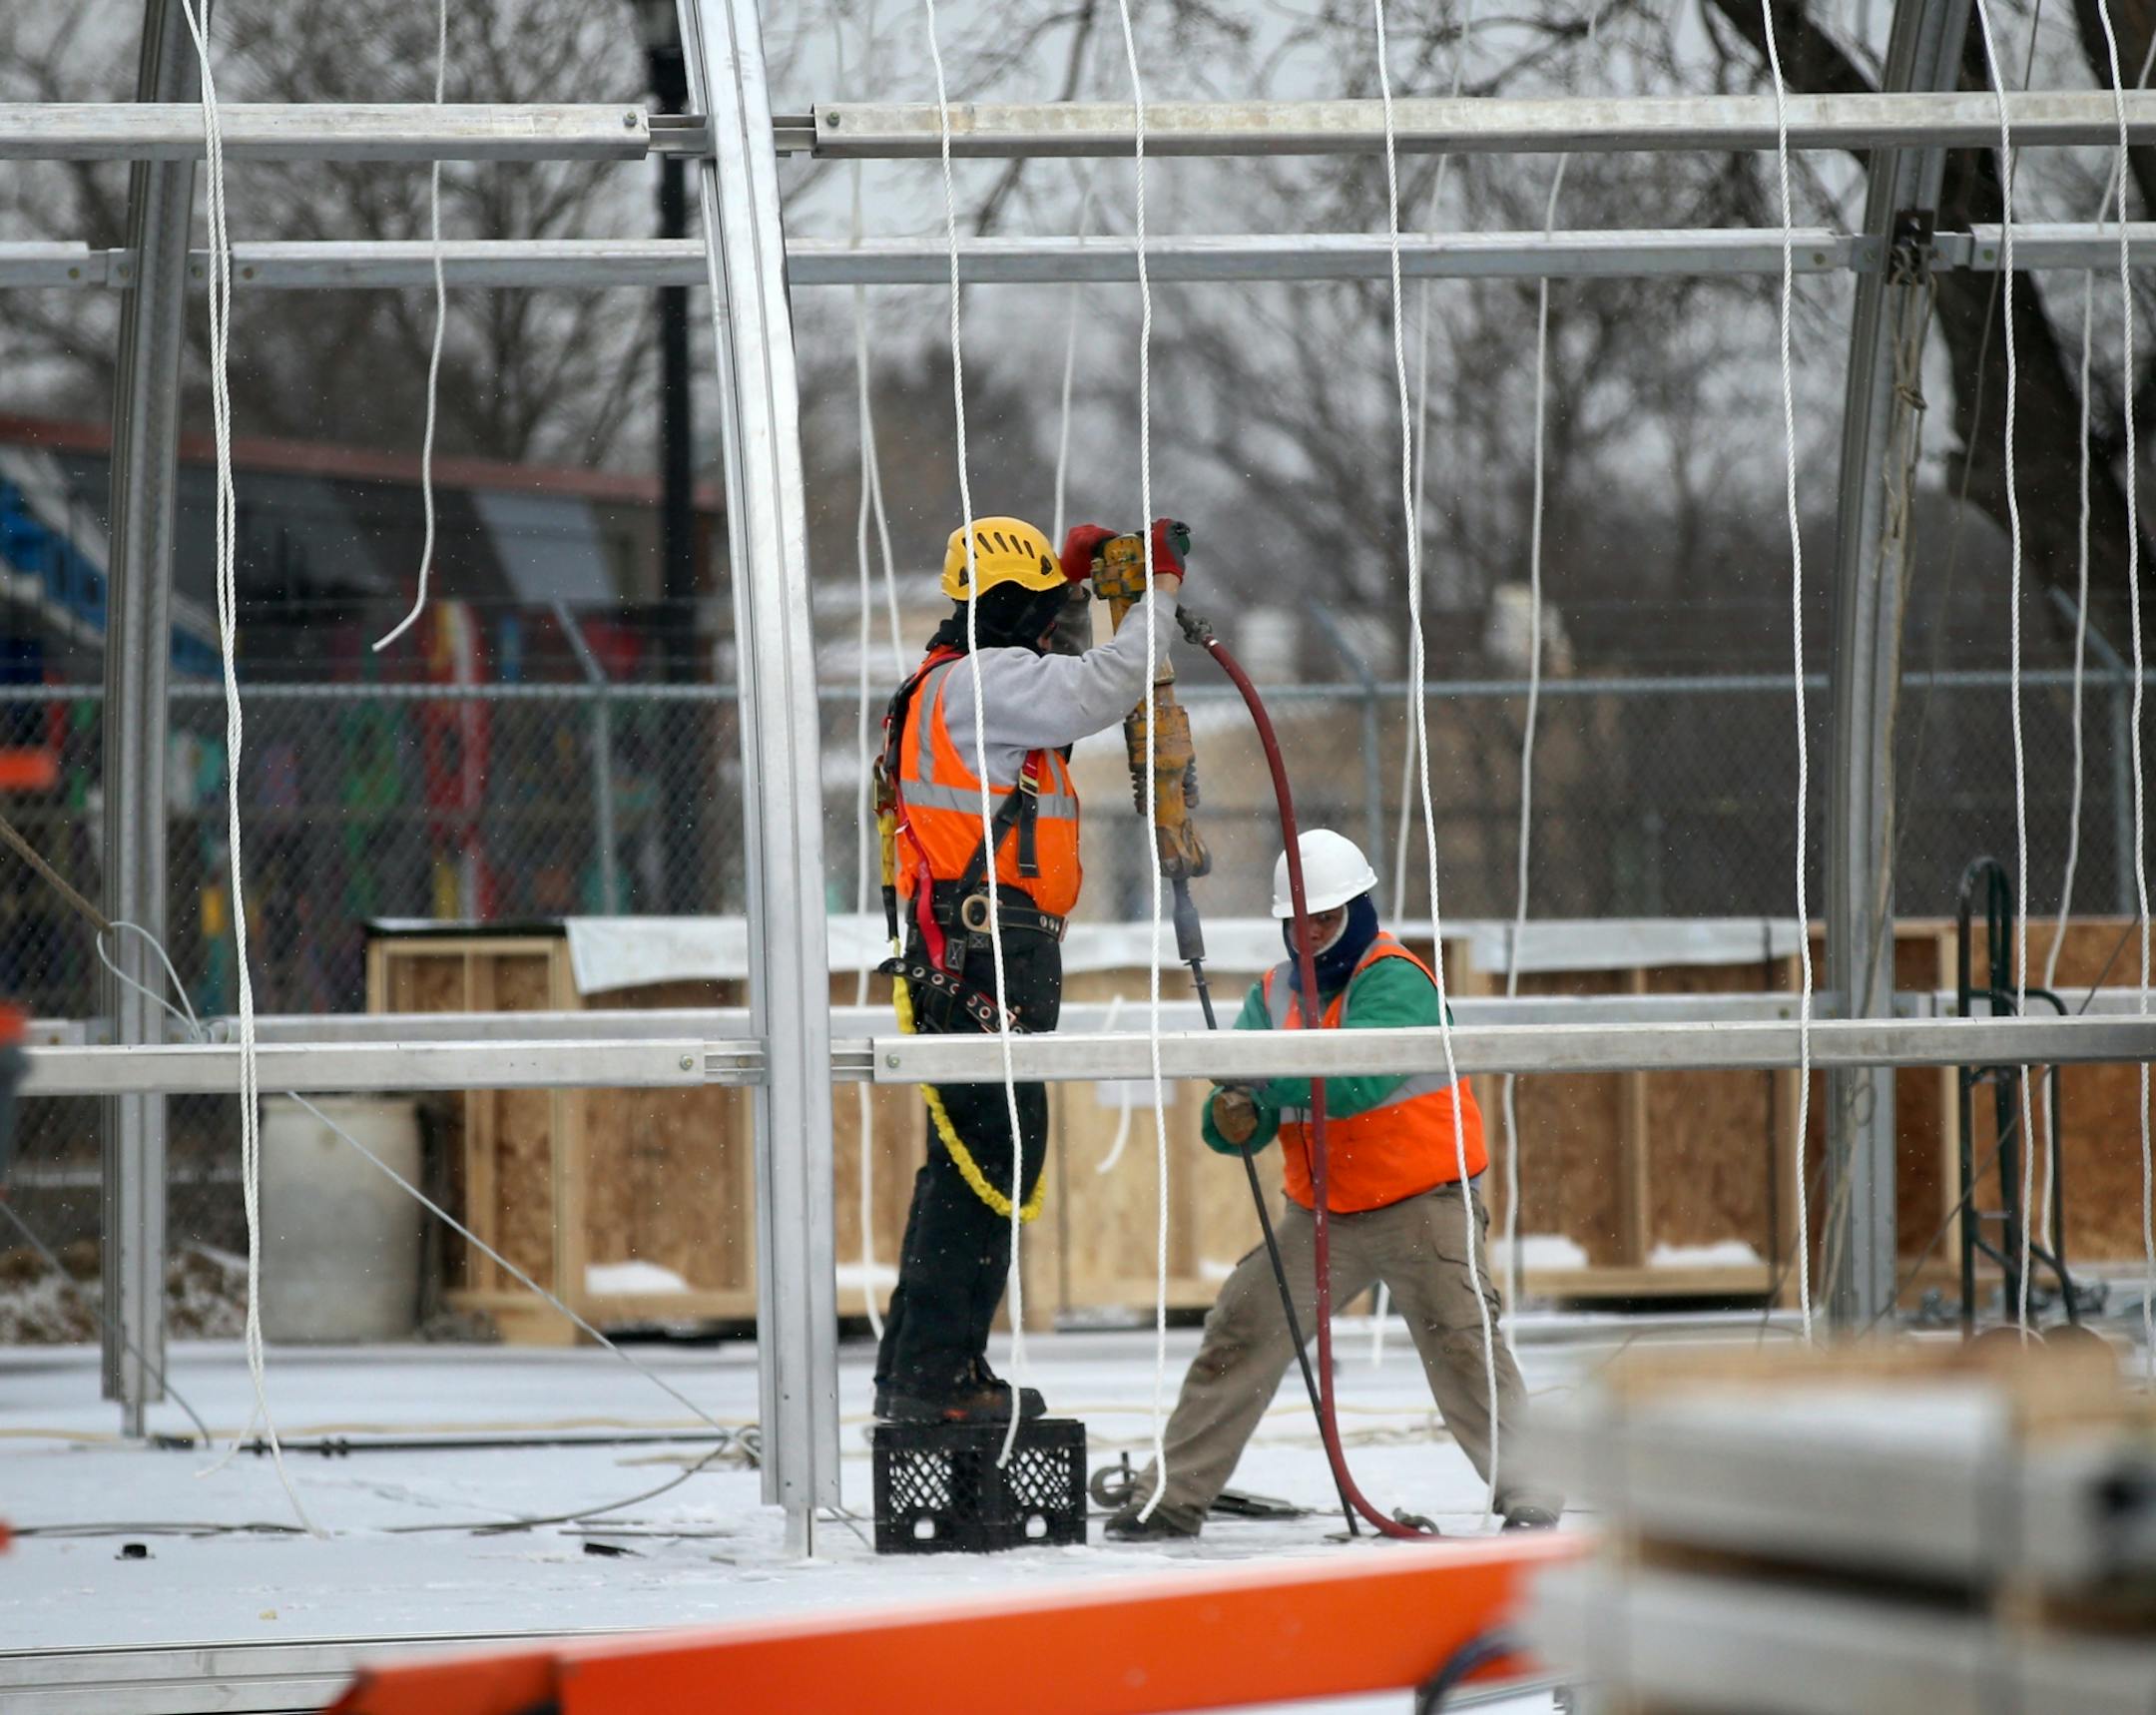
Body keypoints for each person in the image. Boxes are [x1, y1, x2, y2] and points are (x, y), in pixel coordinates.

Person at [1106, 829, 1560, 1536]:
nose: (1311, 934)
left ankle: (1530, 1491)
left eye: (1325, 918)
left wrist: (1261, 1084)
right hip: (1322, 1216)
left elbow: (1353, 1080)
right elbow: (1238, 1110)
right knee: (1239, 1332)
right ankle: (1170, 1500)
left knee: (1463, 1346)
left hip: (1424, 1208)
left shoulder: (1396, 977)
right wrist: (1233, 1119)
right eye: (1298, 921)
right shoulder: (1275, 992)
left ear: (1358, 910)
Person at [872, 514, 1187, 1425]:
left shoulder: (951, 685)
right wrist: (1156, 598)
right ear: (1007, 609)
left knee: (966, 1164)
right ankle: (938, 1379)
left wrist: (1076, 581)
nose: (1053, 627)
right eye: (1042, 610)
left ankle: (925, 1370)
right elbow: (1101, 687)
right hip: (986, 956)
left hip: (969, 952)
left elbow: (1060, 682)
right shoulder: (984, 682)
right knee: (989, 1168)